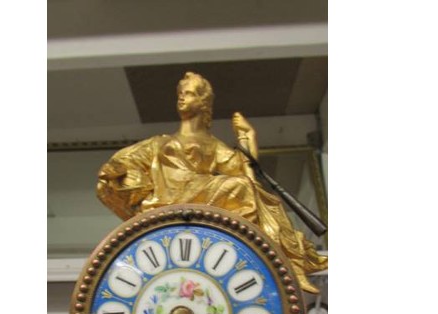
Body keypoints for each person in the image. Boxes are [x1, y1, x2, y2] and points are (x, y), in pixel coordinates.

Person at [97, 72, 327, 293]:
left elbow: (246, 171)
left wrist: (248, 137)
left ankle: (279, 259)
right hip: (168, 198)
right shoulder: (160, 142)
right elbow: (126, 162)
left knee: (252, 191)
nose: (181, 97)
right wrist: (118, 170)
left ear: (203, 103)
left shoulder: (213, 145)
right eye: (181, 93)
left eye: (189, 93)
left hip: (199, 195)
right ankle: (282, 260)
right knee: (244, 189)